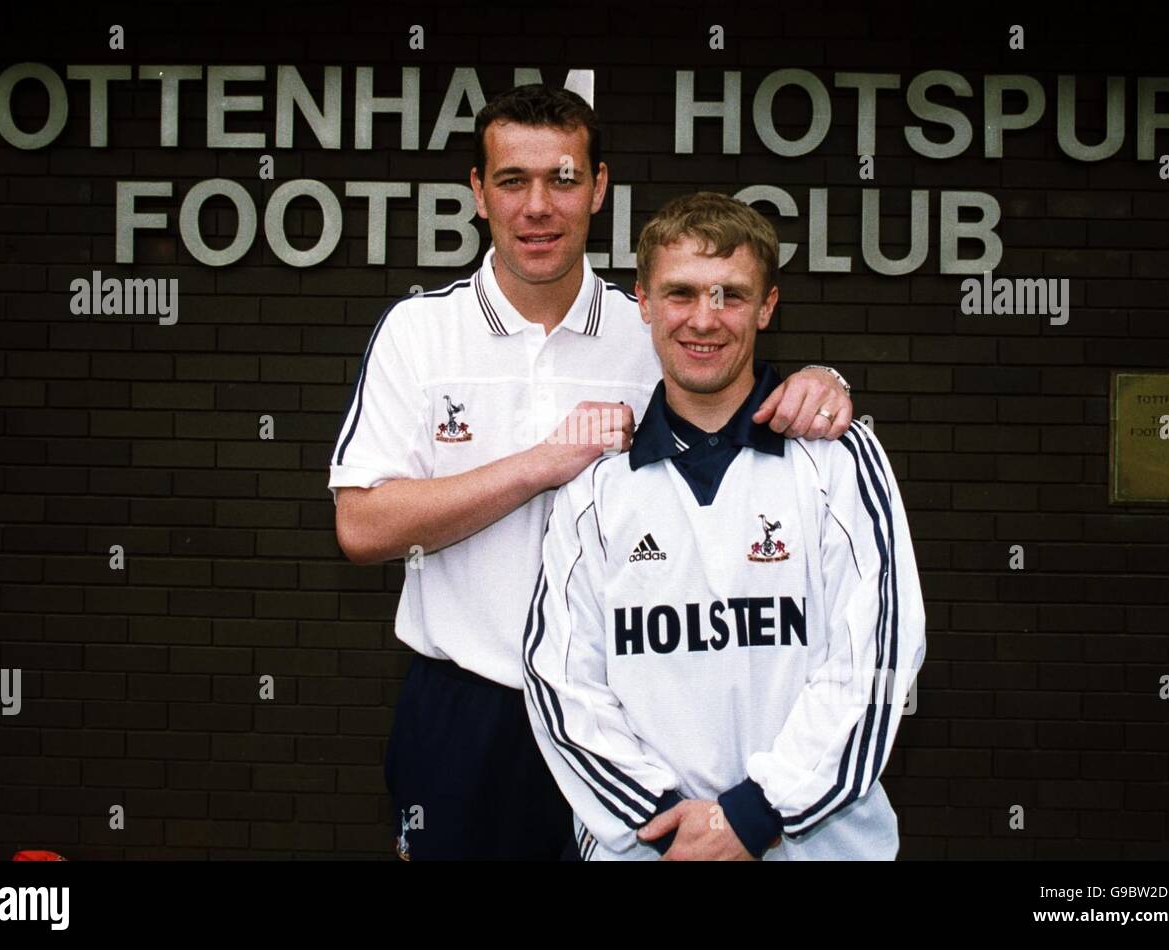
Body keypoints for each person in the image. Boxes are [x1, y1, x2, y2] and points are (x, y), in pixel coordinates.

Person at [329, 85, 855, 860]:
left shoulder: (649, 328)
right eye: (513, 180)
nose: (538, 206)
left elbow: (739, 390)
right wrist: (542, 465)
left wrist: (825, 382)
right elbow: (361, 526)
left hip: (631, 717)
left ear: (599, 188)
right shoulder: (421, 332)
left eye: (563, 179)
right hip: (470, 706)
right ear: (478, 193)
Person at [523, 191, 926, 861]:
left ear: (767, 306)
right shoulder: (596, 488)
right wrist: (667, 820)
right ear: (644, 303)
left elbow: (876, 659)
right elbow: (562, 682)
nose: (703, 321)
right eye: (679, 293)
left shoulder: (838, 459)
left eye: (730, 296)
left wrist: (755, 812)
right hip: (653, 848)